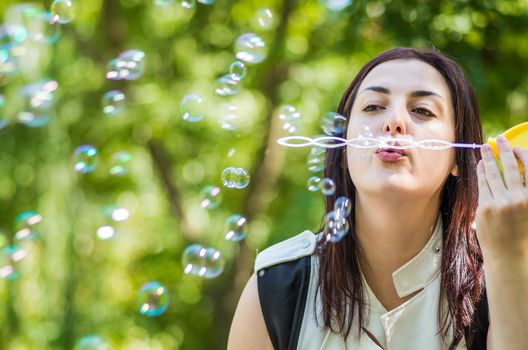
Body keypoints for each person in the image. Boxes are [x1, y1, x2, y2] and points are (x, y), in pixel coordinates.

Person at [227, 48, 528, 349]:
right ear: (343, 148)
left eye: (422, 110)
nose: (394, 122)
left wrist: (510, 259)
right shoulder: (277, 289)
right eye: (373, 107)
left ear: (457, 158)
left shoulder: (499, 274)